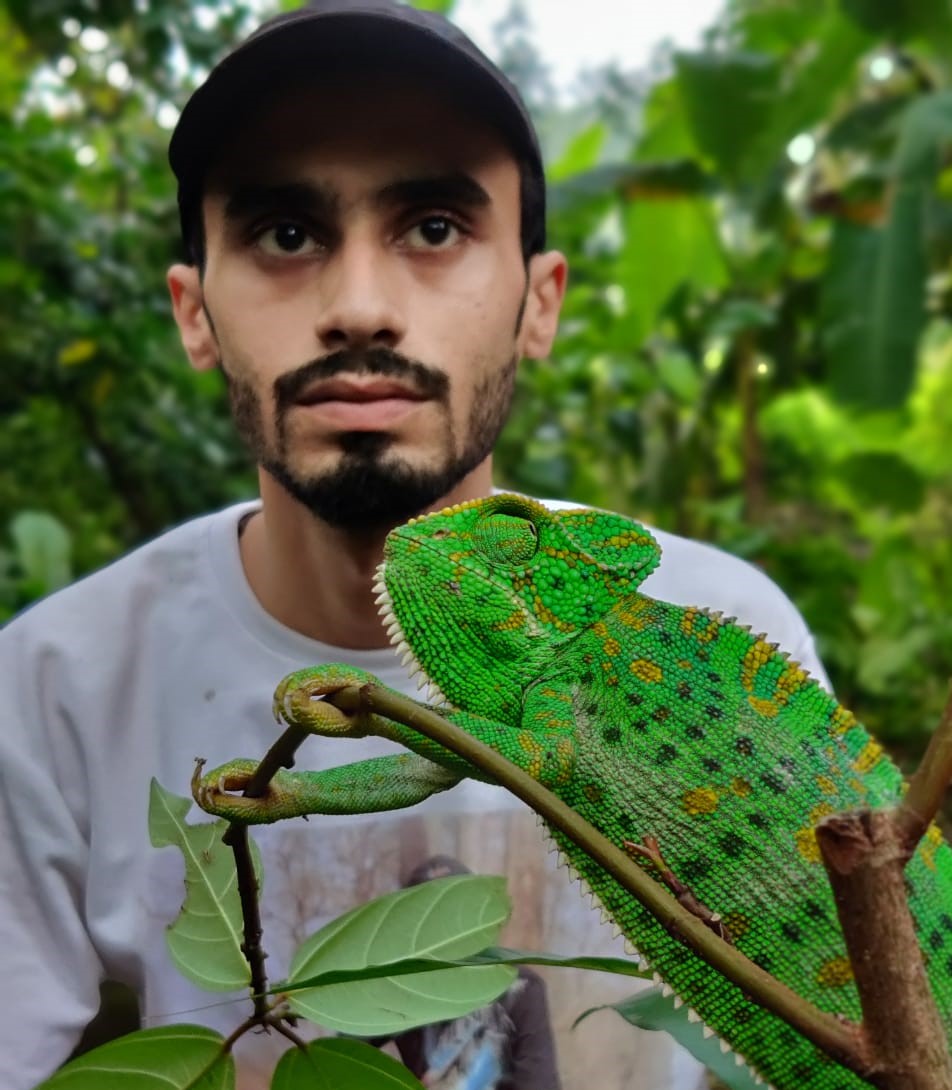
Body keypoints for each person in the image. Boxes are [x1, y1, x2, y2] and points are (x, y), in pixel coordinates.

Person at [0, 3, 831, 1089]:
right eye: (284, 234)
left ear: (540, 304)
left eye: (434, 226)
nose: (357, 308)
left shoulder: (716, 620)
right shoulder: (52, 688)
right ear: (194, 312)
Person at [376, 856, 562, 1090]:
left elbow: (539, 1082)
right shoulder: (398, 992)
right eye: (427, 918)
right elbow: (337, 1052)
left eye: (455, 911)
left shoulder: (520, 986)